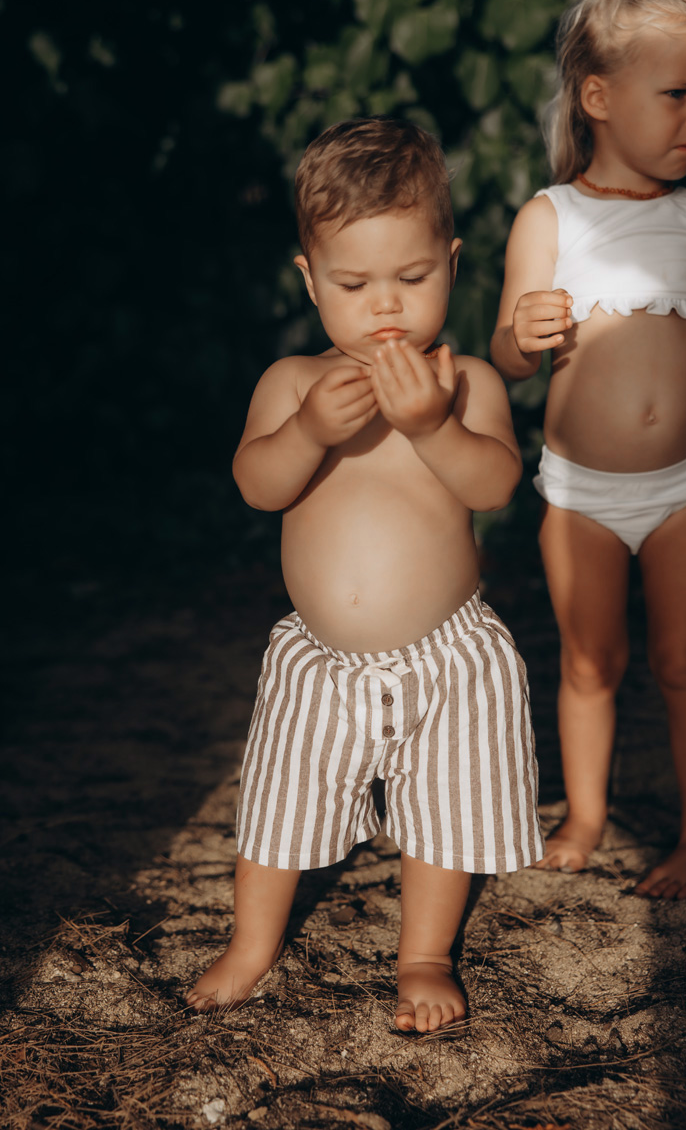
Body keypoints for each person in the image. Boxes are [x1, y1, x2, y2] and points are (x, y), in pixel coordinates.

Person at [187, 116, 544, 1029]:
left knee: (444, 813)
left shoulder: (465, 387)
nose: (385, 305)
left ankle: (423, 954)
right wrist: (307, 430)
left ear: (453, 266)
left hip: (448, 658)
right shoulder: (291, 381)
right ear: (310, 280)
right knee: (278, 805)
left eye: (412, 278)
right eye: (354, 283)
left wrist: (431, 428)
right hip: (320, 663)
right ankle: (251, 944)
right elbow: (256, 486)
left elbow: (496, 482)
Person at [490, 0, 686, 900]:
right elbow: (505, 355)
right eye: (677, 93)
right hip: (579, 493)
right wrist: (520, 338)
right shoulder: (551, 217)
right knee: (589, 663)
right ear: (599, 97)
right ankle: (584, 815)